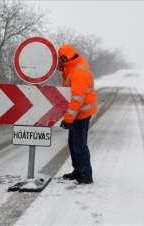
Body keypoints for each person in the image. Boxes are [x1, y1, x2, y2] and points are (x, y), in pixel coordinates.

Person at [57, 44, 98, 184]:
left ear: (66, 58)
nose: (58, 63)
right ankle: (78, 170)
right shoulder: (71, 68)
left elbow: (77, 99)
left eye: (60, 60)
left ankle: (86, 175)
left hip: (82, 113)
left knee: (79, 145)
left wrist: (68, 119)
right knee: (73, 143)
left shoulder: (78, 71)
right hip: (77, 113)